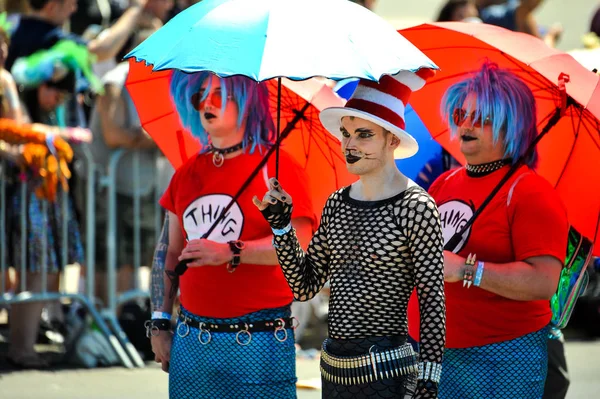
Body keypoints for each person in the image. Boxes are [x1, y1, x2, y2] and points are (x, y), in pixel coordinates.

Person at [254, 70, 446, 399]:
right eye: (345, 133)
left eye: (363, 135)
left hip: (389, 374)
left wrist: (429, 382)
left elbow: (432, 303)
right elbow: (304, 286)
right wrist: (282, 226)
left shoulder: (416, 206)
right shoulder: (337, 203)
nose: (350, 145)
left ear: (393, 140)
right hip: (334, 373)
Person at [147, 71, 316, 398]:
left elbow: (300, 245)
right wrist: (159, 323)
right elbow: (167, 251)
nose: (206, 103)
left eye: (220, 94)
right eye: (201, 95)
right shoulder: (187, 172)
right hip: (192, 338)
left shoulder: (278, 169)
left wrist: (231, 251)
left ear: (247, 101)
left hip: (260, 339)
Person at [408, 62, 568, 399]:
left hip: (501, 357)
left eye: (481, 118)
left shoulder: (530, 192)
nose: (466, 124)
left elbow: (543, 281)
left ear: (511, 125)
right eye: (461, 114)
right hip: (433, 352)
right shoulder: (444, 182)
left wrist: (467, 270)